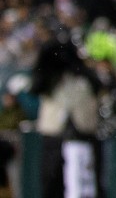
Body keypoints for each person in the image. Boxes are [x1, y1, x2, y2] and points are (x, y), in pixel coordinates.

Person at [30, 36, 104, 198]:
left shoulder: (85, 78)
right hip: (54, 136)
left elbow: (98, 88)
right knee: (53, 182)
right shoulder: (49, 79)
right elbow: (36, 86)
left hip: (83, 134)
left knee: (86, 185)